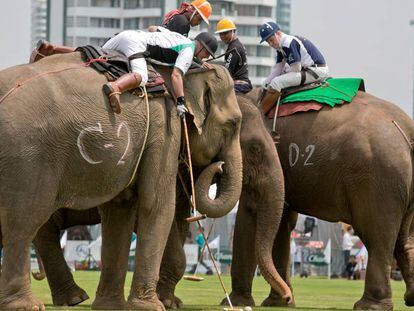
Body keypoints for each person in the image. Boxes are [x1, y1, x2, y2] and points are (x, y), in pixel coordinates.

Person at [30, 27, 217, 115]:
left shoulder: (178, 37)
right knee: (142, 77)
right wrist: (181, 103)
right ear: (201, 47)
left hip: (127, 35)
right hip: (136, 44)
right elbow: (176, 75)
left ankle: (51, 49)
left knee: (96, 54)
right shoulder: (188, 50)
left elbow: (153, 28)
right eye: (206, 54)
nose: (204, 58)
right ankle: (115, 88)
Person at [259, 22, 329, 115]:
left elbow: (296, 68)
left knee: (277, 82)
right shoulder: (280, 46)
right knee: (271, 81)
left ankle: (260, 114)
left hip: (316, 71)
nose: (270, 44)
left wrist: (276, 79)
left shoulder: (288, 42)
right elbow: (278, 68)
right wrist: (266, 83)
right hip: (308, 70)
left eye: (271, 40)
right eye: (268, 42)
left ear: (278, 33)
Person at [215, 19, 252, 94]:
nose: (222, 36)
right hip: (242, 83)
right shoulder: (236, 45)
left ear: (233, 31)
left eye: (225, 33)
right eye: (220, 34)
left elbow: (227, 72)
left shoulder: (234, 48)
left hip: (239, 84)